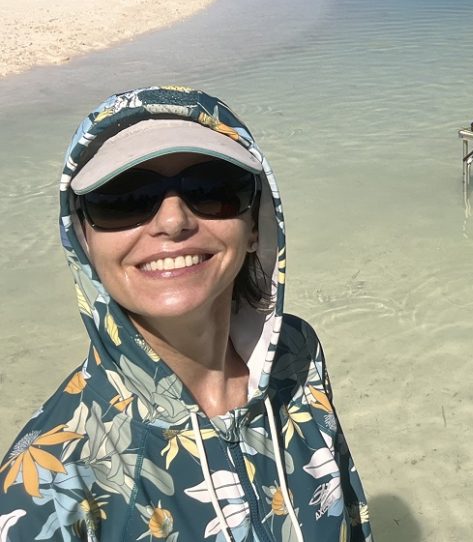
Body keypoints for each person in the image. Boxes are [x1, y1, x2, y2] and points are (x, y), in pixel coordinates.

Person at [0, 86, 370, 542]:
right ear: (83, 240)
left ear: (254, 224)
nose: (173, 221)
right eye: (123, 198)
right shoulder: (46, 484)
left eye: (210, 190)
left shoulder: (296, 356)